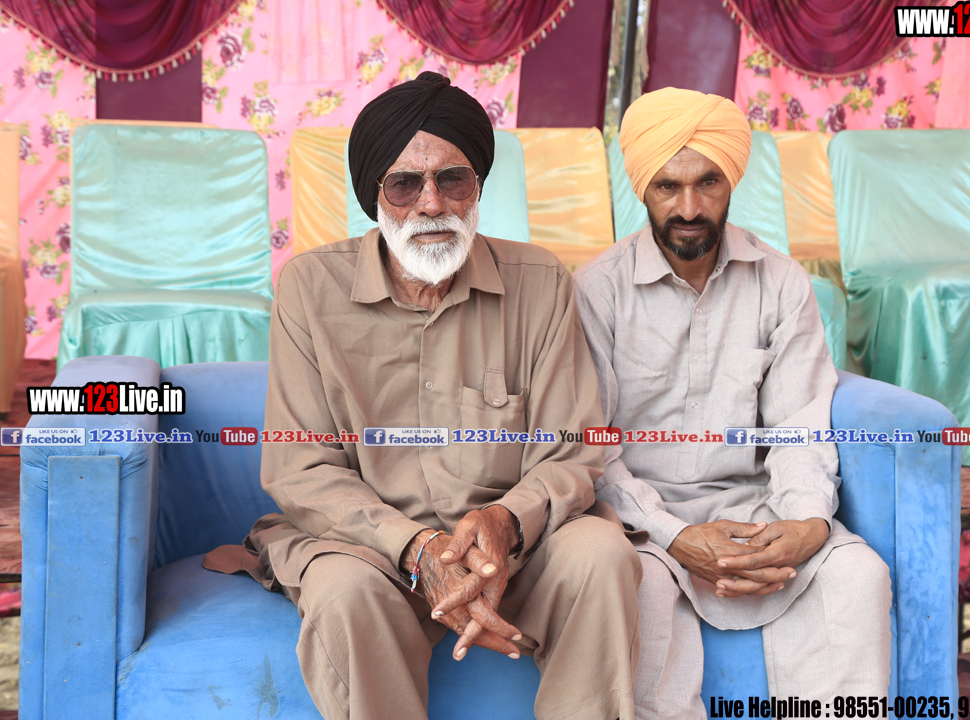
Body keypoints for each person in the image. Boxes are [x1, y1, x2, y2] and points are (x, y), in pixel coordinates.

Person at [205, 72, 640, 720]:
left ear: (478, 186)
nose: (432, 204)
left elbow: (571, 449)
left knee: (600, 554)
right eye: (405, 184)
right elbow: (301, 467)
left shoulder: (541, 282)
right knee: (344, 590)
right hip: (370, 550)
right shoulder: (309, 289)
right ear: (375, 196)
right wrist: (415, 548)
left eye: (452, 180)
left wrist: (506, 521)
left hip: (511, 552)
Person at [573, 87, 892, 720]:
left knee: (858, 576)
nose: (689, 207)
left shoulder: (781, 281)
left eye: (708, 183)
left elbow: (800, 427)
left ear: (732, 181)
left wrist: (806, 525)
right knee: (635, 587)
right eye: (668, 187)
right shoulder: (596, 291)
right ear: (642, 188)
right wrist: (675, 535)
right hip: (641, 524)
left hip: (756, 512)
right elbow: (592, 451)